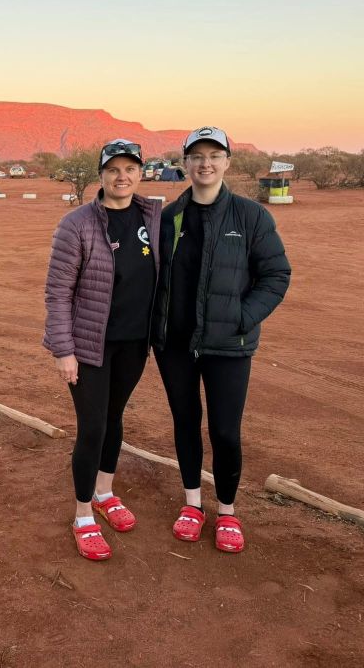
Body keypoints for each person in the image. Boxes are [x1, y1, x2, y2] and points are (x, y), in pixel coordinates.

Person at [150, 127, 290, 554]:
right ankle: (193, 503)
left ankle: (227, 511)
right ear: (185, 164)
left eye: (214, 155)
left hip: (229, 347)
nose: (205, 163)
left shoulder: (250, 216)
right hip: (175, 346)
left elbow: (276, 275)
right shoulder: (169, 218)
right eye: (197, 156)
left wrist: (241, 319)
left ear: (227, 162)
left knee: (226, 431)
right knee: (185, 423)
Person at [43, 139, 162, 561]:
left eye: (130, 169)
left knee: (114, 418)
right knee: (92, 427)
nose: (122, 176)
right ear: (101, 175)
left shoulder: (154, 217)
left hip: (134, 343)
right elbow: (58, 293)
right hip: (89, 346)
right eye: (113, 169)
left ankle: (104, 493)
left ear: (141, 173)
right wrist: (64, 350)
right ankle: (82, 515)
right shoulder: (76, 224)